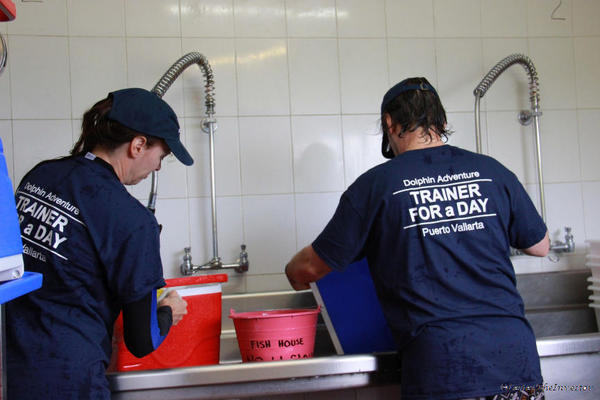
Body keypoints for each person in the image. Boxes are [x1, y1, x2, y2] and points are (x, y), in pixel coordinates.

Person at [285, 77, 550, 400]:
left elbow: (306, 271)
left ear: (389, 123)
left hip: (443, 371)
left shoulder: (376, 186)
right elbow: (540, 245)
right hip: (516, 365)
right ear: (442, 121)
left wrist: (291, 270)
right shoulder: (492, 171)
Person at [6, 88, 191, 399]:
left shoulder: (40, 176)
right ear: (138, 145)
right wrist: (168, 311)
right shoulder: (134, 221)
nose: (158, 166)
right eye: (162, 155)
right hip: (69, 380)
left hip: (8, 368)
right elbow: (142, 339)